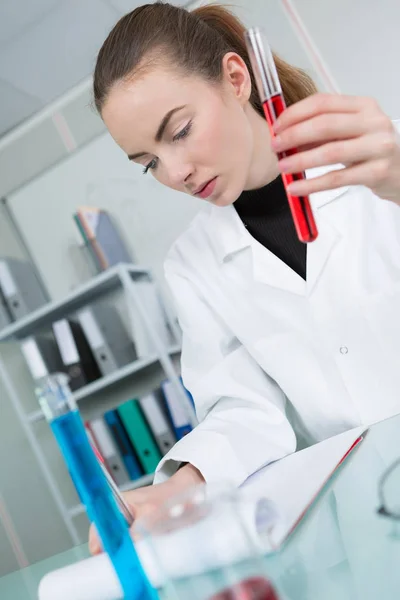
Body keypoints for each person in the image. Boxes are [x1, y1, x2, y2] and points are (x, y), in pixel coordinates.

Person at [89, 1, 400, 554]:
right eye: (148, 162)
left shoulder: (380, 163)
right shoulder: (193, 263)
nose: (176, 172)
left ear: (236, 78)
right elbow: (243, 407)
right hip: (370, 512)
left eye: (179, 131)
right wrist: (183, 486)